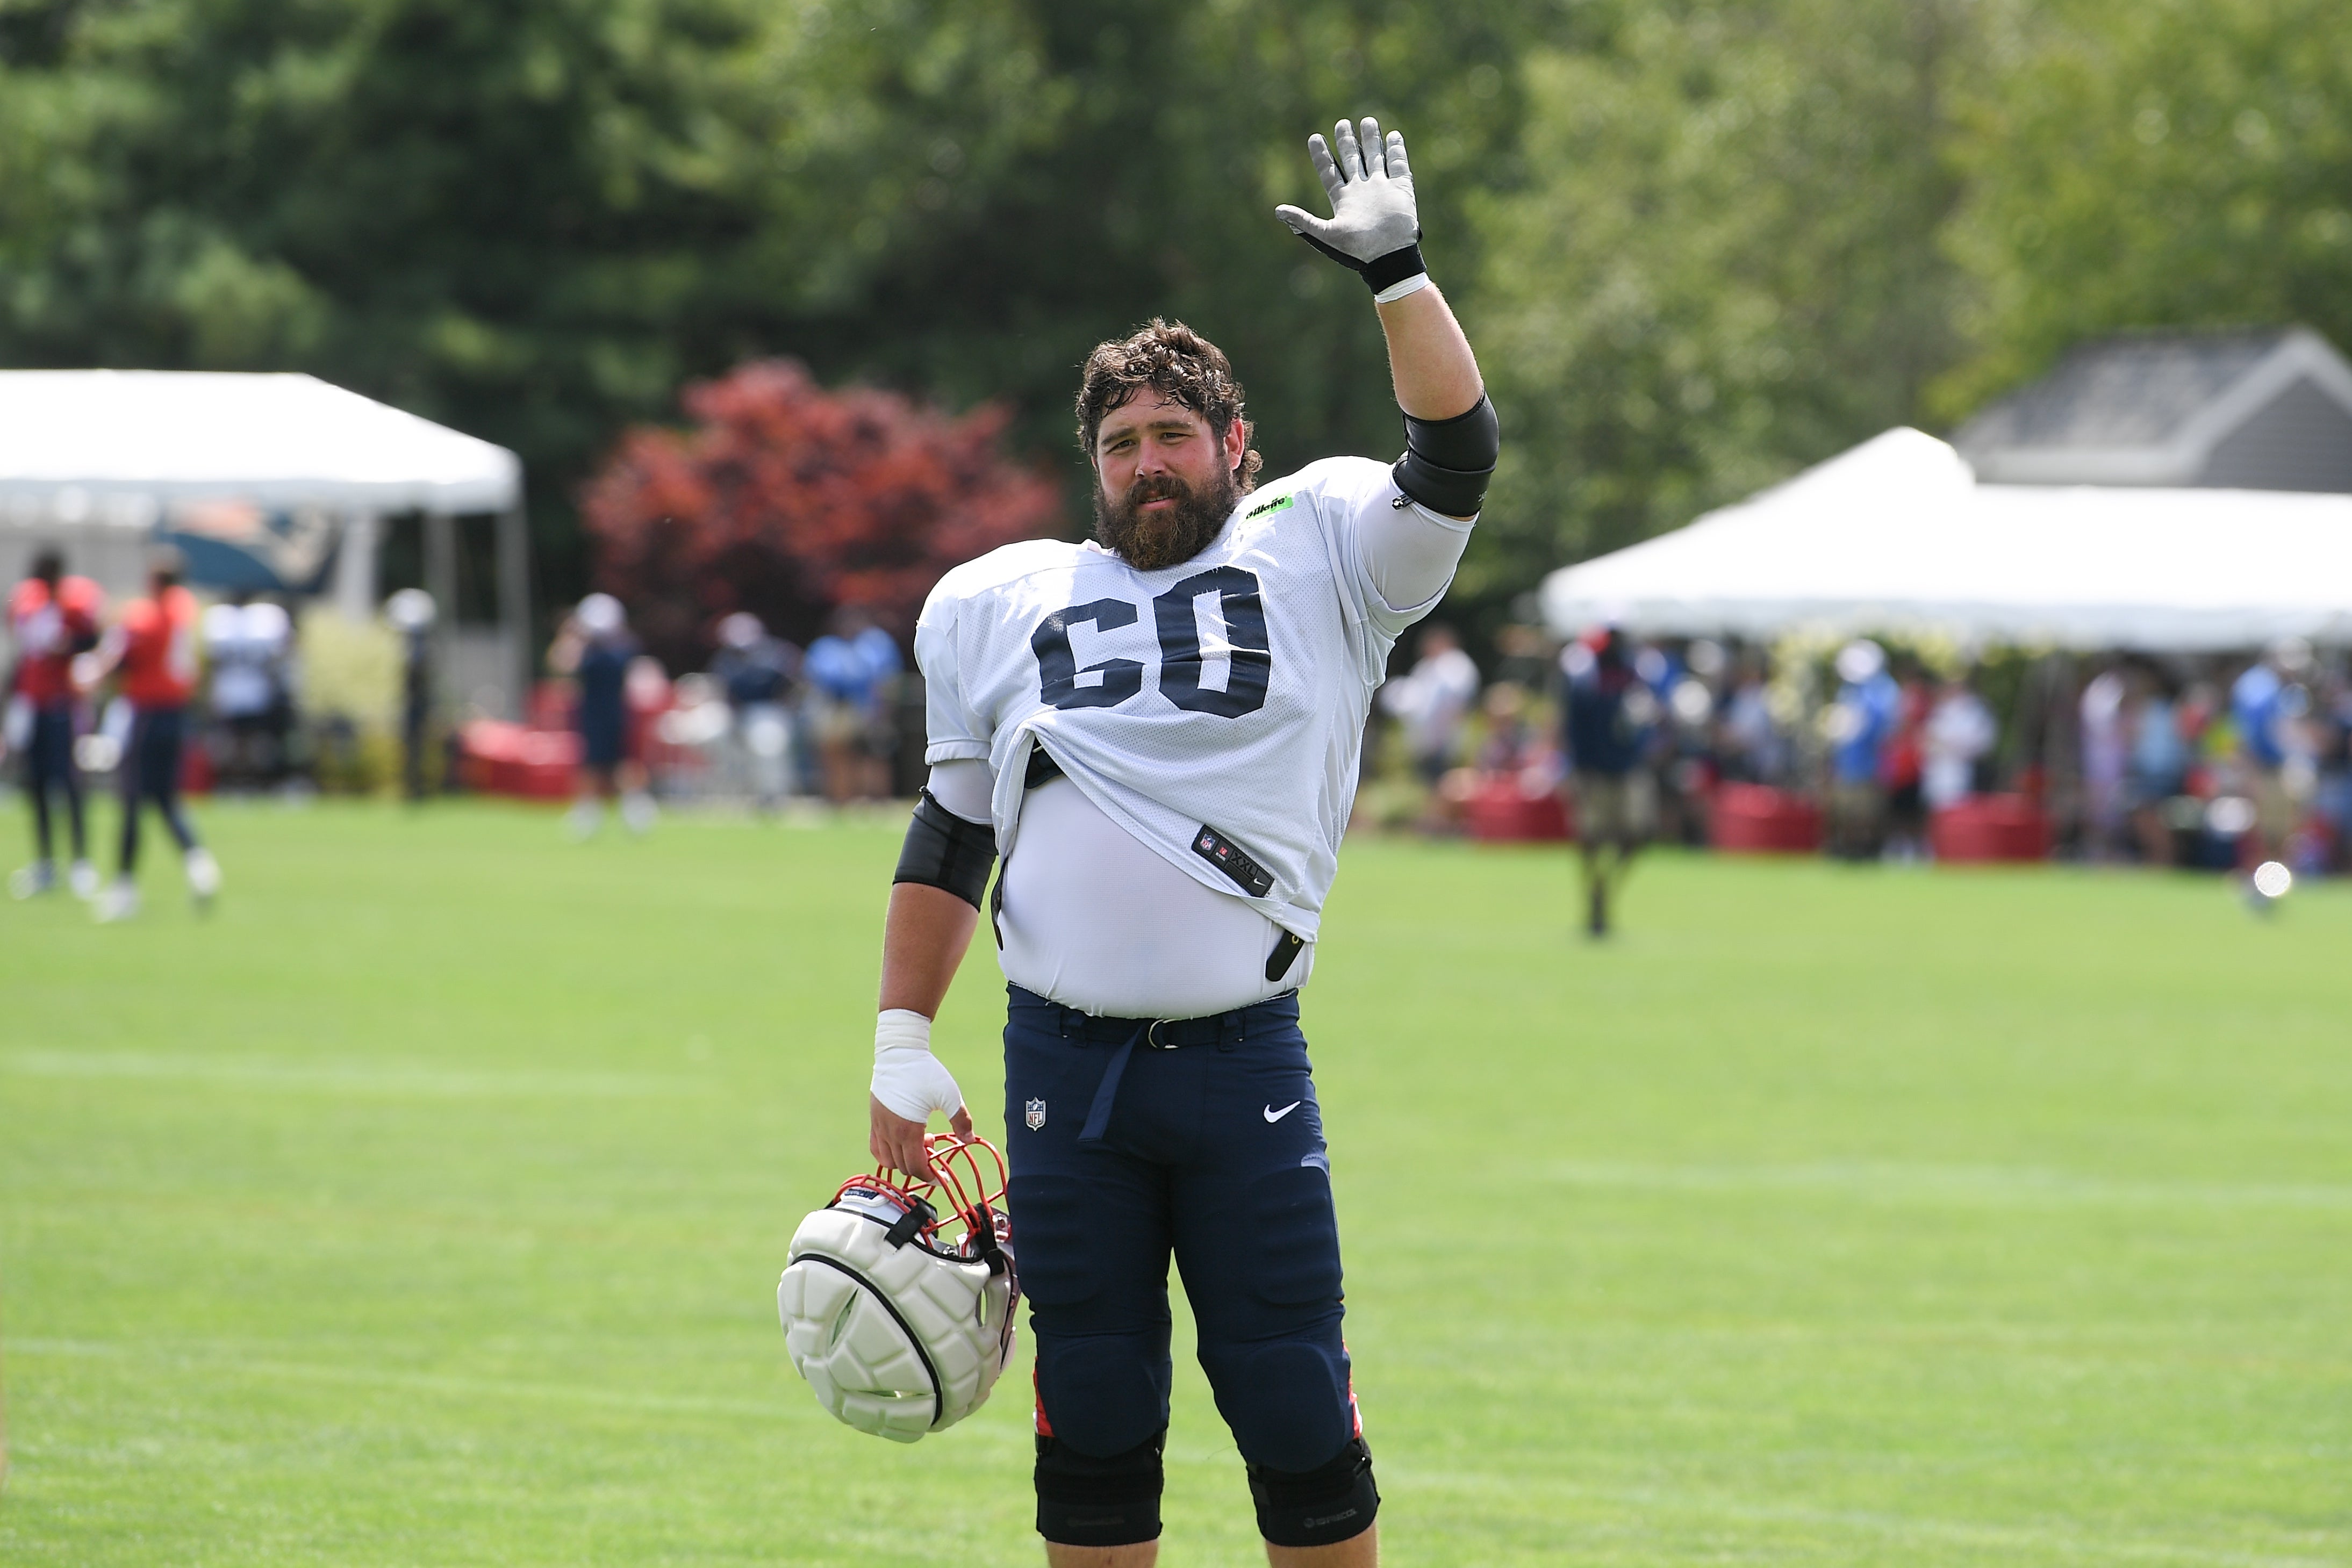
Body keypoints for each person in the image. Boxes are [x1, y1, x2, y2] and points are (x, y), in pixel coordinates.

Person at [863, 117, 1492, 1566]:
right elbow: (955, 825)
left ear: (1233, 445)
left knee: (1289, 1396)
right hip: (1060, 1059)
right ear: (1092, 464)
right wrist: (902, 1031)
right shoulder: (998, 596)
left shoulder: (1323, 546)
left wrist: (1396, 270)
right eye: (1120, 441)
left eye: (1173, 435)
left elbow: (1457, 449)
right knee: (1091, 1403)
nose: (1149, 461)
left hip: (1240, 1058)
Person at [77, 551, 220, 921]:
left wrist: (93, 671)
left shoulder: (149, 616)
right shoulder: (186, 612)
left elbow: (122, 656)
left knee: (132, 799)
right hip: (177, 714)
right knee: (165, 799)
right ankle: (198, 864)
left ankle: (125, 888)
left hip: (148, 714)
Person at [7, 548, 103, 899]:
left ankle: (80, 862)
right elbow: (23, 655)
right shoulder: (25, 602)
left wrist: (67, 646)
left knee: (69, 784)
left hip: (64, 703)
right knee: (35, 785)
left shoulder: (75, 603)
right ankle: (46, 863)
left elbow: (92, 640)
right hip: (33, 704)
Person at [1560, 625, 1655, 936]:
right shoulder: (1586, 676)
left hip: (1626, 768)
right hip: (1595, 771)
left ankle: (1605, 889)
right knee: (1592, 837)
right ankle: (1596, 894)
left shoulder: (1633, 675)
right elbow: (1575, 727)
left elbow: (1643, 720)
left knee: (1635, 834)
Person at [548, 593, 654, 837]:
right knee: (589, 766)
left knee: (623, 763)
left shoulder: (622, 647)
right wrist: (571, 637)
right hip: (590, 711)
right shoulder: (587, 647)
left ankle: (635, 811)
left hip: (616, 710)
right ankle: (588, 814)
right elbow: (560, 664)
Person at [202, 592, 295, 789]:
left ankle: (245, 783)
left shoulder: (224, 624)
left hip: (236, 693)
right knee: (241, 743)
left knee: (247, 743)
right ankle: (240, 783)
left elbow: (213, 661)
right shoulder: (263, 623)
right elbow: (276, 658)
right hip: (249, 693)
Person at [711, 611, 800, 810]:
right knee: (705, 733)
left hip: (769, 711)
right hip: (736, 713)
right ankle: (725, 792)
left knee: (766, 741)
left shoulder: (777, 654)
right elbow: (724, 691)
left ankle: (772, 796)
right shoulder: (726, 658)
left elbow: (791, 688)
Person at [1379, 622, 1479, 788]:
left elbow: (1455, 704)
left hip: (1445, 743)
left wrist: (1441, 737)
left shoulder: (1456, 665)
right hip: (1425, 744)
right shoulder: (1427, 666)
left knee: (1445, 789)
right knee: (1430, 790)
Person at [1825, 638, 1898, 860]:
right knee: (1847, 809)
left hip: (1872, 763)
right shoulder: (1850, 690)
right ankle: (1849, 847)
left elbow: (1883, 728)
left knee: (1868, 810)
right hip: (1848, 762)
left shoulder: (1883, 689)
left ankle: (1868, 849)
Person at [386, 588, 437, 801]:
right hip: (412, 703)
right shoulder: (413, 644)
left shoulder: (417, 647)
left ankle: (415, 788)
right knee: (411, 747)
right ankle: (411, 787)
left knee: (416, 745)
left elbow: (417, 673)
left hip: (417, 704)